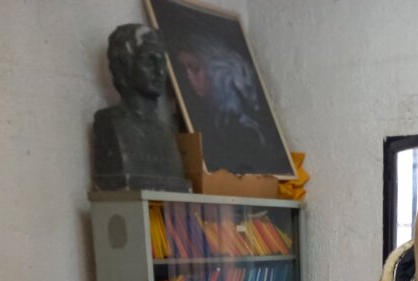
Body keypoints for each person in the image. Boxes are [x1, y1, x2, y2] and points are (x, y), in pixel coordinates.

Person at [172, 33, 291, 176]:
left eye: (195, 68)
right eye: (184, 70)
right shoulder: (198, 116)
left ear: (215, 69)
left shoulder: (237, 122)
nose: (189, 77)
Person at [92, 24, 191, 192]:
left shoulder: (167, 130)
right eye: (149, 61)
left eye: (162, 62)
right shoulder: (110, 123)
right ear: (125, 64)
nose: (160, 71)